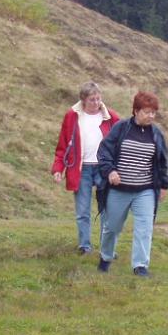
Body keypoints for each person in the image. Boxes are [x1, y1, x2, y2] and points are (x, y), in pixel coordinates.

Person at [95, 91, 168, 277]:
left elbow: (162, 161)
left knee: (145, 227)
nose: (151, 116)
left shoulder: (156, 135)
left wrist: (163, 185)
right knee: (112, 227)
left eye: (153, 112)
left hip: (144, 190)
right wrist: (111, 171)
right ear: (135, 111)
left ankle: (140, 266)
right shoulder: (121, 128)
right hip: (119, 190)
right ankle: (106, 257)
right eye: (146, 112)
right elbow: (104, 152)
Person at [51, 81, 120, 254]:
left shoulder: (111, 117)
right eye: (92, 100)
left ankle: (107, 248)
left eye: (98, 99)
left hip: (104, 168)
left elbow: (122, 141)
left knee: (107, 210)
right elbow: (62, 145)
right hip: (81, 169)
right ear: (83, 100)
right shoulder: (72, 117)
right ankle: (85, 246)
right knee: (83, 211)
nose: (96, 103)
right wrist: (58, 169)